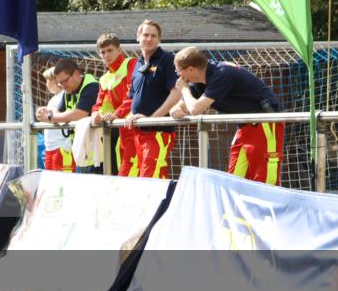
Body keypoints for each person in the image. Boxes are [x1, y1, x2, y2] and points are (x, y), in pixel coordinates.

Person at [171, 46, 285, 185]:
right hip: (245, 126)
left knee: (265, 177)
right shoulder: (200, 81)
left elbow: (195, 109)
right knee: (235, 177)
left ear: (190, 69)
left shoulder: (222, 73)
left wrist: (183, 89)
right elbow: (180, 108)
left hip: (264, 122)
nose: (179, 76)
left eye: (178, 70)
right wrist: (178, 107)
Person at [125, 20, 181, 179]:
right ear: (138, 37)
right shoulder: (137, 63)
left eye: (153, 36)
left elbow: (176, 94)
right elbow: (133, 97)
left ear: (159, 39)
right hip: (138, 132)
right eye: (146, 35)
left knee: (150, 178)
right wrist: (130, 114)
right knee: (153, 178)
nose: (149, 39)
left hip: (158, 132)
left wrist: (152, 119)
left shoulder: (167, 59)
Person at [36, 59, 99, 173]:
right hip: (83, 152)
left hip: (99, 154)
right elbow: (56, 110)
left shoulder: (91, 86)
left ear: (76, 74)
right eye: (59, 82)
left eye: (64, 81)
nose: (62, 86)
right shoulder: (68, 90)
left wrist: (50, 117)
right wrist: (50, 114)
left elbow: (79, 114)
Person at [90, 33, 138, 176]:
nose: (106, 55)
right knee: (121, 173)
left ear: (119, 49)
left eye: (110, 50)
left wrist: (117, 114)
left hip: (135, 128)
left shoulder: (131, 63)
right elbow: (98, 104)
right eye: (102, 52)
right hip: (121, 130)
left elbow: (133, 93)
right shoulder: (104, 78)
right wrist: (95, 115)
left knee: (129, 173)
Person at [40, 67, 74, 172]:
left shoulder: (66, 96)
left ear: (55, 81)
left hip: (62, 147)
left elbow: (63, 117)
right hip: (50, 147)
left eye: (47, 81)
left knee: (63, 182)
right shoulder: (53, 99)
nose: (46, 85)